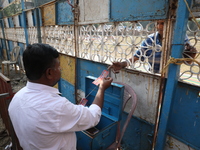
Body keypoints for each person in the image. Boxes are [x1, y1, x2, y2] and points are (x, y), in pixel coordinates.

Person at [8, 43, 113, 150]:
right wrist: (102, 88)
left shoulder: (16, 99)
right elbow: (93, 117)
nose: (60, 69)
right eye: (58, 66)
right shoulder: (56, 107)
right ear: (49, 73)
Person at [108, 20, 197, 74]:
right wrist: (123, 64)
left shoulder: (181, 37)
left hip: (172, 77)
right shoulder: (150, 39)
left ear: (172, 23)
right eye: (158, 23)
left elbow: (187, 61)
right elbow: (137, 57)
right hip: (154, 75)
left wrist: (191, 54)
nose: (159, 26)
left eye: (162, 23)